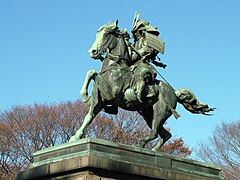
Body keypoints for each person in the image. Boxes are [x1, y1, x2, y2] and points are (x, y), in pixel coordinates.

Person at [130, 18, 166, 102]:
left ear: (141, 31)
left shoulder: (148, 40)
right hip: (133, 64)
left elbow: (148, 50)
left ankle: (139, 93)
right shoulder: (135, 43)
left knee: (141, 73)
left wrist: (136, 55)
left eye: (136, 32)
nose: (135, 34)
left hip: (144, 65)